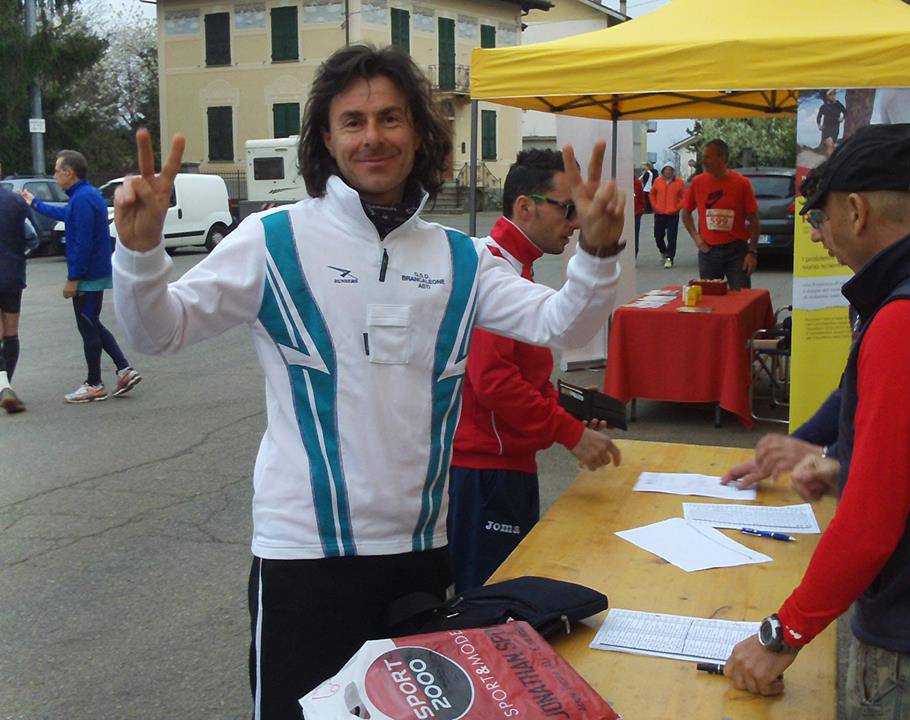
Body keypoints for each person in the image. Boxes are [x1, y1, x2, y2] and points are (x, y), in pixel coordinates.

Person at [109, 44, 625, 720]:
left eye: (390, 118)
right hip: (302, 557)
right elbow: (158, 333)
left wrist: (598, 250)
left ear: (418, 133)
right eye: (352, 121)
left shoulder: (460, 258)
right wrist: (141, 254)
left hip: (419, 554)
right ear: (327, 137)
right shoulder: (272, 240)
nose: (372, 137)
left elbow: (561, 320)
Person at [723, 124, 910, 720]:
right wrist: (848, 465)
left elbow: (872, 525)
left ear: (856, 210)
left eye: (820, 217)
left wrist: (780, 636)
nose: (819, 235)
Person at [448, 149, 622, 593]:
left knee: (503, 599)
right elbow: (494, 383)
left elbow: (521, 373)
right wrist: (571, 433)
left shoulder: (513, 267)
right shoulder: (493, 269)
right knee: (490, 607)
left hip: (500, 465)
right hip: (486, 471)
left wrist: (566, 415)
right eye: (569, 209)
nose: (577, 222)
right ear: (524, 207)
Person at [20, 150, 142, 403]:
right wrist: (34, 203)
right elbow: (66, 216)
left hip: (88, 275)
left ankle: (94, 383)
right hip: (93, 273)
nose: (55, 176)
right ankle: (124, 369)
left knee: (87, 326)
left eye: (56, 170)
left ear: (69, 172)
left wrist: (74, 277)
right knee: (93, 323)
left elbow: (82, 242)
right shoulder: (85, 196)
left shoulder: (83, 199)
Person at [681, 139, 760, 289]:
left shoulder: (741, 183)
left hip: (736, 251)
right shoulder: (697, 182)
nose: (704, 162)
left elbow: (754, 220)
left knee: (740, 298)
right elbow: (685, 214)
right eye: (703, 157)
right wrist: (696, 237)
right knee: (710, 299)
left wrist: (752, 252)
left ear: (722, 158)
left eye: (708, 157)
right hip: (708, 251)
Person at [0, 164, 30, 414]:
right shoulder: (16, 202)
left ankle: (2, 387)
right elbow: (31, 236)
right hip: (12, 274)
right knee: (11, 332)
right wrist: (18, 256)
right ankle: (6, 383)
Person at [649, 162, 685, 268]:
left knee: (671, 237)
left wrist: (677, 207)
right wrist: (655, 206)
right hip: (660, 213)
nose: (668, 172)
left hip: (673, 214)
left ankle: (670, 258)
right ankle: (663, 251)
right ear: (663, 171)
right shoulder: (657, 181)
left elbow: (684, 197)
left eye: (670, 170)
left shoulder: (679, 182)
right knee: (658, 236)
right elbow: (652, 194)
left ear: (673, 172)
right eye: (666, 169)